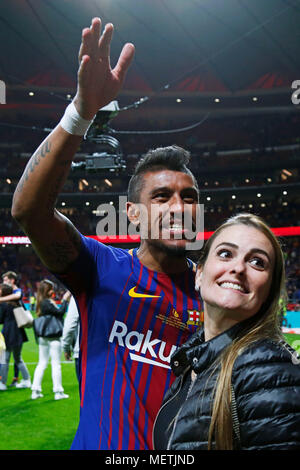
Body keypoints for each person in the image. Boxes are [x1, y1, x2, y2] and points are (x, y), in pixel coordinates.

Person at [11, 17, 202, 449]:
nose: (179, 207)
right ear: (132, 214)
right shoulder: (99, 268)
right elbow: (28, 211)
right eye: (162, 197)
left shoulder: (214, 291)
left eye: (189, 197)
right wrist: (81, 112)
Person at [153, 213, 300, 450]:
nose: (238, 268)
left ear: (269, 293)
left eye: (257, 262)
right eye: (225, 254)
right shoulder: (192, 362)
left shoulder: (269, 371)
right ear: (199, 274)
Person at [31, 280, 71, 400]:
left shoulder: (42, 302)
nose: (53, 291)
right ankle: (58, 392)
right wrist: (65, 300)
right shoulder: (46, 303)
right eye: (51, 289)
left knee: (42, 363)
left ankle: (35, 390)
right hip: (53, 336)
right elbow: (60, 312)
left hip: (44, 337)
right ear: (47, 291)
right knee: (55, 364)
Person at [0, 283, 31, 391]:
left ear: (3, 292)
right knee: (18, 358)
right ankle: (27, 380)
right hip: (19, 332)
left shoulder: (3, 304)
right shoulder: (16, 302)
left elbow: (0, 319)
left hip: (8, 333)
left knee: (5, 359)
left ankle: (2, 383)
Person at [0, 271, 24, 386]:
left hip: (13, 327)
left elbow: (17, 296)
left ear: (12, 280)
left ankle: (14, 378)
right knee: (16, 356)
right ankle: (15, 379)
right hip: (14, 327)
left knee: (12, 356)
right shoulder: (8, 295)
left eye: (5, 280)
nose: (3, 282)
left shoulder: (16, 291)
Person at [61, 295, 80, 382]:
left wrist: (66, 348)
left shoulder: (79, 295)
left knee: (87, 393)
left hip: (83, 352)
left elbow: (70, 326)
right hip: (110, 351)